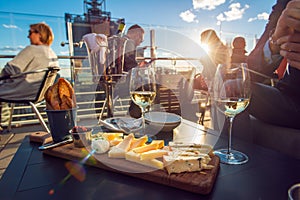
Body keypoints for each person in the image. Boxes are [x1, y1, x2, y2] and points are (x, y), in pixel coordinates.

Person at [246, 0, 300, 129]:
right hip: (291, 99)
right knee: (229, 85)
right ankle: (226, 148)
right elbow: (251, 71)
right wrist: (275, 42)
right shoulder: (285, 4)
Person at [0, 22, 59, 132]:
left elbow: (11, 68)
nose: (28, 36)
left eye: (30, 32)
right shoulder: (52, 53)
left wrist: (2, 76)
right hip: (40, 93)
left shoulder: (32, 49)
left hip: (23, 91)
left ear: (39, 34)